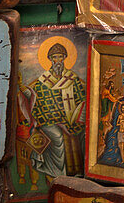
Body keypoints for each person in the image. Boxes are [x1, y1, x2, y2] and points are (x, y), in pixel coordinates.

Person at [29, 41, 85, 178]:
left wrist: (74, 118)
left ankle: (82, 172)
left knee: (84, 135)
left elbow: (81, 100)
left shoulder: (73, 79)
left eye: (60, 57)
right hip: (50, 121)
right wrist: (60, 122)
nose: (58, 60)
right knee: (58, 138)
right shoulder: (43, 82)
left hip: (71, 121)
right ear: (50, 59)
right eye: (55, 57)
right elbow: (41, 106)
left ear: (65, 58)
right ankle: (58, 174)